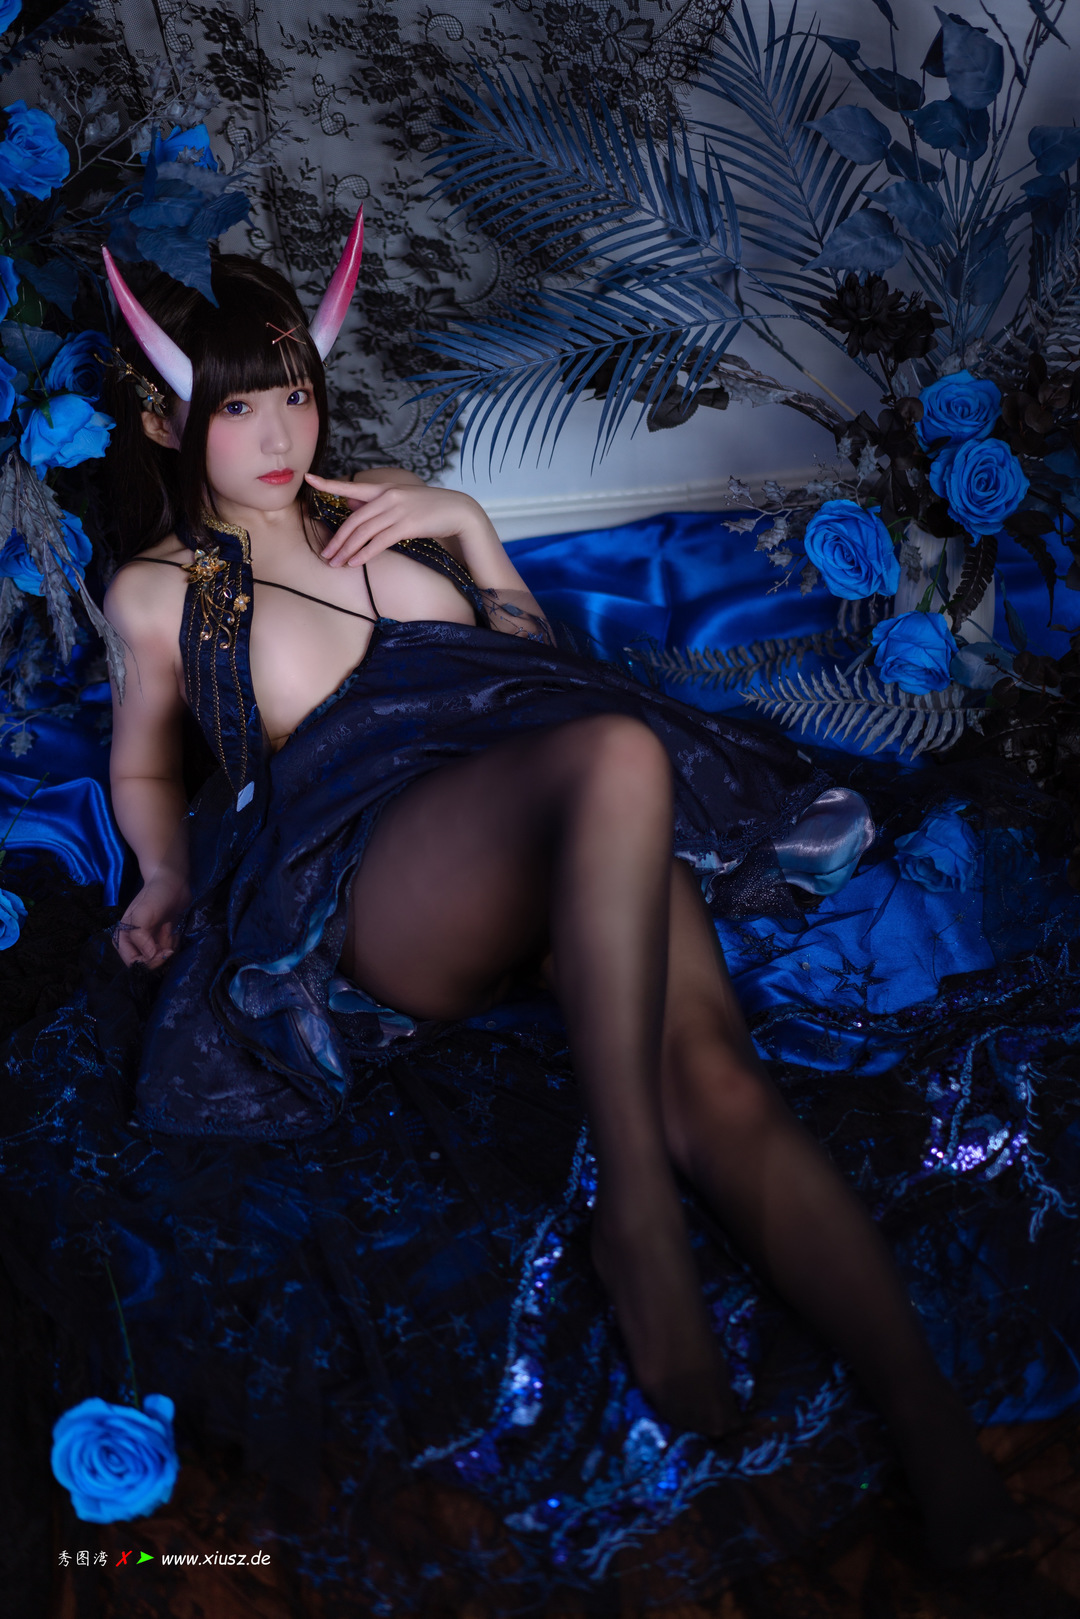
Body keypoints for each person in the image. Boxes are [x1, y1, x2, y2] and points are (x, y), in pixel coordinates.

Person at [96, 222, 1027, 1572]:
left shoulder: (384, 519)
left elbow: (530, 676)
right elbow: (142, 762)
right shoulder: (164, 589)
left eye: (294, 391)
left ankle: (942, 1448)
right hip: (377, 878)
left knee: (720, 1077)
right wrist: (167, 876)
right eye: (238, 407)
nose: (281, 431)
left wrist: (471, 531)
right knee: (619, 753)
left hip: (561, 822)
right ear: (163, 419)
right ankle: (634, 1214)